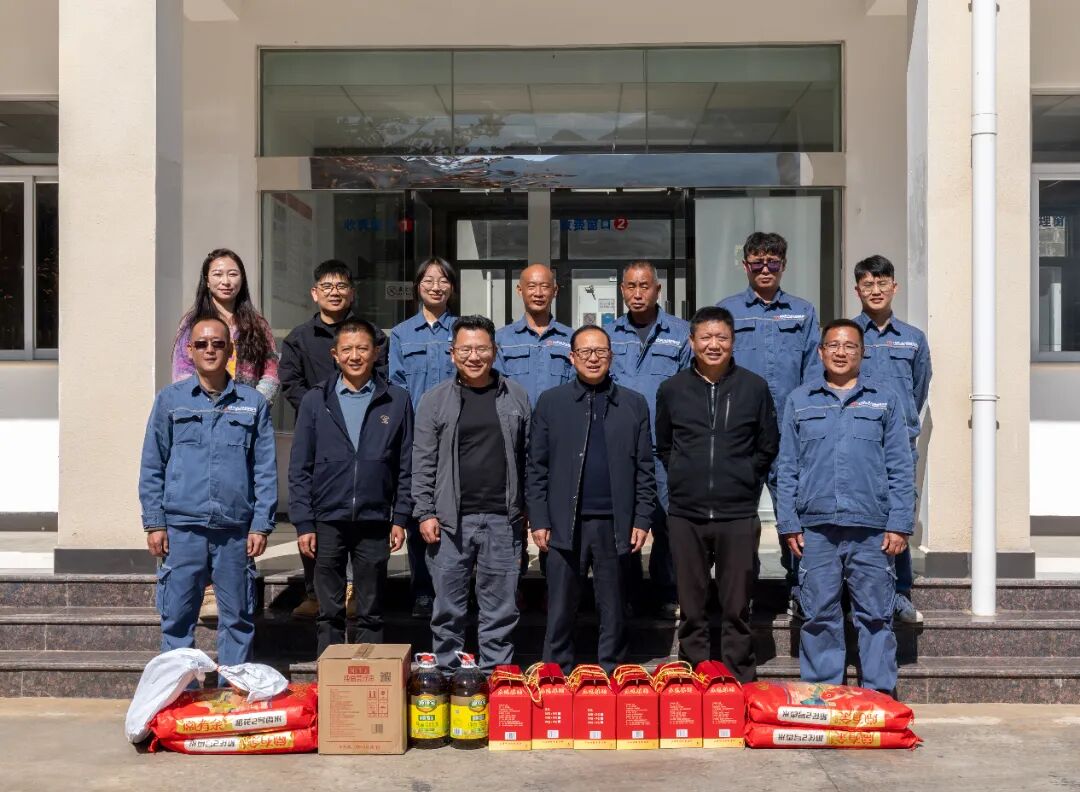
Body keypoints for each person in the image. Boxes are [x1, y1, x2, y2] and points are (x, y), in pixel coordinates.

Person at [775, 319, 915, 695]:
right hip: (816, 529)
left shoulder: (884, 399)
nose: (841, 352)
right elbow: (787, 467)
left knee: (876, 616)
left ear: (862, 352)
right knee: (819, 614)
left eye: (850, 346)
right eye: (834, 345)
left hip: (872, 528)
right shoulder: (800, 400)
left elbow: (900, 465)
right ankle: (824, 697)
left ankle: (878, 698)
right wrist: (788, 522)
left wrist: (900, 523)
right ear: (821, 352)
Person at [140, 315, 277, 666]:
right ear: (190, 350)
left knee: (238, 619)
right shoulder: (170, 401)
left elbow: (264, 469)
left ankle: (233, 690)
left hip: (234, 530)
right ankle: (180, 690)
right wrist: (154, 522)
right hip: (182, 529)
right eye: (201, 344)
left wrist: (261, 524)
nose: (210, 350)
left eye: (218, 343)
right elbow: (153, 464)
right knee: (177, 619)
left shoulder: (252, 403)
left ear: (230, 350)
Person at [656, 306, 779, 684]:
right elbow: (664, 445)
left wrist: (745, 479)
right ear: (692, 342)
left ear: (733, 342)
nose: (714, 345)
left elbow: (767, 445)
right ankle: (694, 676)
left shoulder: (754, 388)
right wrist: (684, 476)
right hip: (686, 514)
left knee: (736, 605)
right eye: (706, 337)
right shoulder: (672, 389)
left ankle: (737, 676)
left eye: (721, 337)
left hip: (737, 513)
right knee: (692, 606)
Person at [527, 325, 655, 673]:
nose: (593, 358)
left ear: (611, 356)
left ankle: (613, 672)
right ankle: (556, 673)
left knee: (613, 607)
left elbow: (645, 468)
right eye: (585, 351)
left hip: (615, 523)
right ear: (572, 357)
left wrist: (642, 518)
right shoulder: (551, 402)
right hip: (563, 522)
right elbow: (536, 467)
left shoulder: (633, 404)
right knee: (560, 607)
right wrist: (538, 518)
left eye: (600, 351)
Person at [411, 315, 530, 672]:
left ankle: (496, 677)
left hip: (503, 519)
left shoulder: (516, 395)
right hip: (450, 522)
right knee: (448, 608)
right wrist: (425, 512)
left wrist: (528, 509)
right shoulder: (434, 400)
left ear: (495, 351)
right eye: (465, 349)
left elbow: (528, 457)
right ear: (452, 353)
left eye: (481, 349)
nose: (474, 356)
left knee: (500, 609)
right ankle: (448, 674)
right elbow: (423, 460)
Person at [288, 319, 412, 657]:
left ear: (375, 353)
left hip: (375, 518)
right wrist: (303, 522)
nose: (354, 356)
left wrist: (400, 516)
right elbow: (300, 467)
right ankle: (330, 675)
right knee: (329, 611)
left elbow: (405, 464)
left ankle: (367, 675)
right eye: (347, 349)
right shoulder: (316, 400)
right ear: (335, 354)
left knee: (371, 609)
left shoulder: (396, 400)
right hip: (327, 519)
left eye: (362, 349)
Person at [716, 232, 822, 618]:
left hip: (791, 433)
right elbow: (716, 365)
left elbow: (814, 370)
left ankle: (799, 589)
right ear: (745, 266)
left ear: (783, 265)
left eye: (773, 262)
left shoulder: (803, 312)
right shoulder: (727, 311)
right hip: (741, 432)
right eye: (757, 262)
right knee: (739, 518)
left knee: (794, 513)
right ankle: (741, 591)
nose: (765, 269)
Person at [171, 248, 279, 621]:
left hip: (244, 423)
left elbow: (271, 371)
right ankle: (205, 587)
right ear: (206, 280)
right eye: (217, 274)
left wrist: (249, 405)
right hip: (201, 424)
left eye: (232, 273)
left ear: (242, 279)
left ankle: (236, 582)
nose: (225, 281)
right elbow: (181, 375)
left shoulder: (256, 324)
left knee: (240, 499)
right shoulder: (192, 324)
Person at [279, 259, 389, 620]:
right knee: (318, 514)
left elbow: (382, 379)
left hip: (364, 432)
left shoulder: (372, 336)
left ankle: (357, 591)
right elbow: (290, 384)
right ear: (315, 293)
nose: (334, 292)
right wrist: (322, 412)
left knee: (359, 513)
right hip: (318, 435)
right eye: (327, 287)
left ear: (352, 292)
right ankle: (315, 592)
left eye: (341, 286)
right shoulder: (298, 338)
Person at [605, 260, 691, 618]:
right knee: (623, 522)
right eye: (631, 286)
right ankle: (626, 594)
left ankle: (667, 592)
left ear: (658, 290)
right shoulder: (608, 335)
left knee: (669, 523)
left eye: (644, 286)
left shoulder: (682, 333)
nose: (637, 293)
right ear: (622, 290)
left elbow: (690, 389)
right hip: (621, 448)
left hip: (667, 449)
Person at [851, 254, 932, 625]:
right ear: (857, 290)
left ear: (894, 287)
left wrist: (902, 424)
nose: (876, 290)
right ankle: (855, 591)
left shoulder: (913, 339)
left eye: (882, 283)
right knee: (859, 516)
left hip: (898, 444)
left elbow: (919, 389)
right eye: (868, 284)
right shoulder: (847, 336)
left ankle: (899, 592)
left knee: (898, 515)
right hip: (857, 442)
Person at [390, 257, 459, 619]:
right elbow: (397, 386)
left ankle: (456, 588)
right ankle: (422, 590)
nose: (436, 286)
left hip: (459, 436)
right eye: (429, 280)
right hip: (418, 437)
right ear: (418, 286)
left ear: (452, 287)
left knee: (457, 513)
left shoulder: (462, 330)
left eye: (443, 280)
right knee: (421, 510)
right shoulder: (402, 334)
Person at [495, 263, 574, 408]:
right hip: (516, 419)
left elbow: (576, 386)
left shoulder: (571, 338)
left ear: (555, 291)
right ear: (520, 290)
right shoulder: (502, 339)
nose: (538, 293)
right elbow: (496, 387)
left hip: (558, 418)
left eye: (545, 286)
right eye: (531, 286)